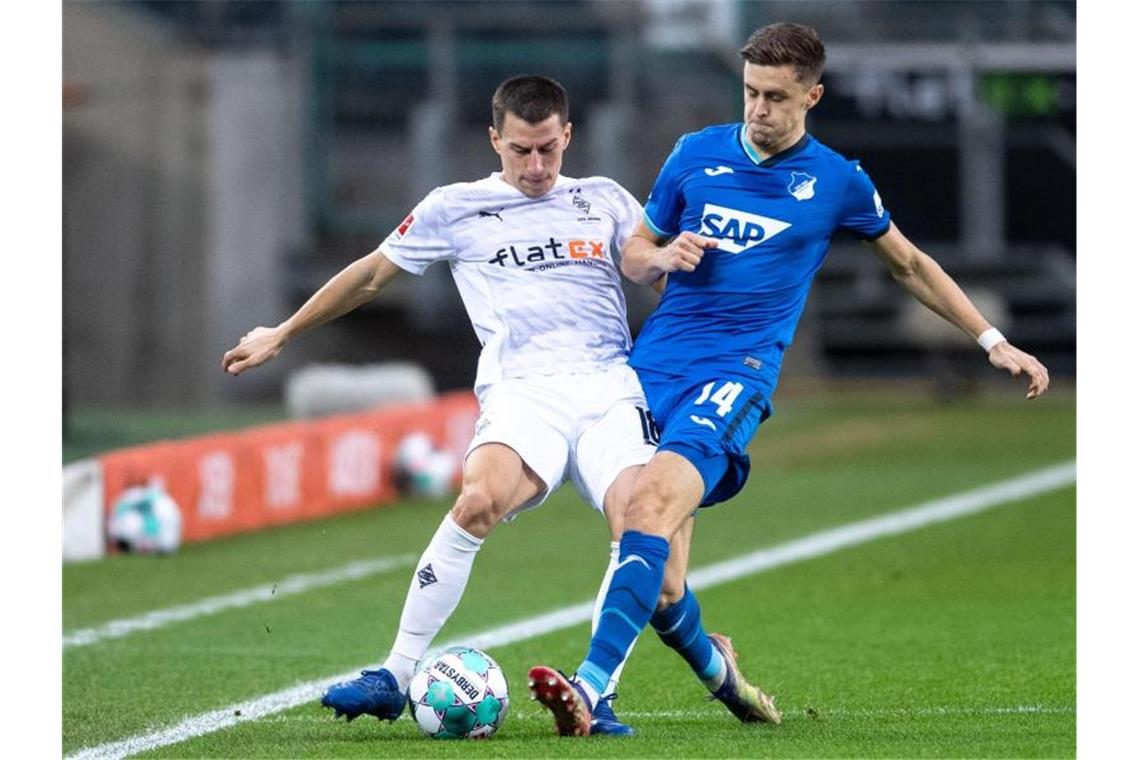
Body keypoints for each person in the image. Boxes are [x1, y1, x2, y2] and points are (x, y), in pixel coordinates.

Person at [529, 22, 1051, 736]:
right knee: (659, 577)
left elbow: (910, 264)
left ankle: (591, 690)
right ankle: (719, 670)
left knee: (649, 508)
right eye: (750, 93)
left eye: (775, 97)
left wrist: (992, 340)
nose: (759, 110)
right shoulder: (694, 155)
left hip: (734, 377)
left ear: (813, 95)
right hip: (649, 371)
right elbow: (635, 251)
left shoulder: (837, 180)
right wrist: (662, 257)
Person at [223, 75, 663, 736]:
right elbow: (372, 273)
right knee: (477, 502)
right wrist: (283, 332)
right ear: (494, 140)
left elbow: (662, 274)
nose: (537, 166)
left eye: (548, 148)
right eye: (521, 151)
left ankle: (596, 693)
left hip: (609, 385)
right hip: (524, 390)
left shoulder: (606, 201)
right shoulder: (454, 208)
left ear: (568, 135)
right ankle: (395, 675)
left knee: (639, 522)